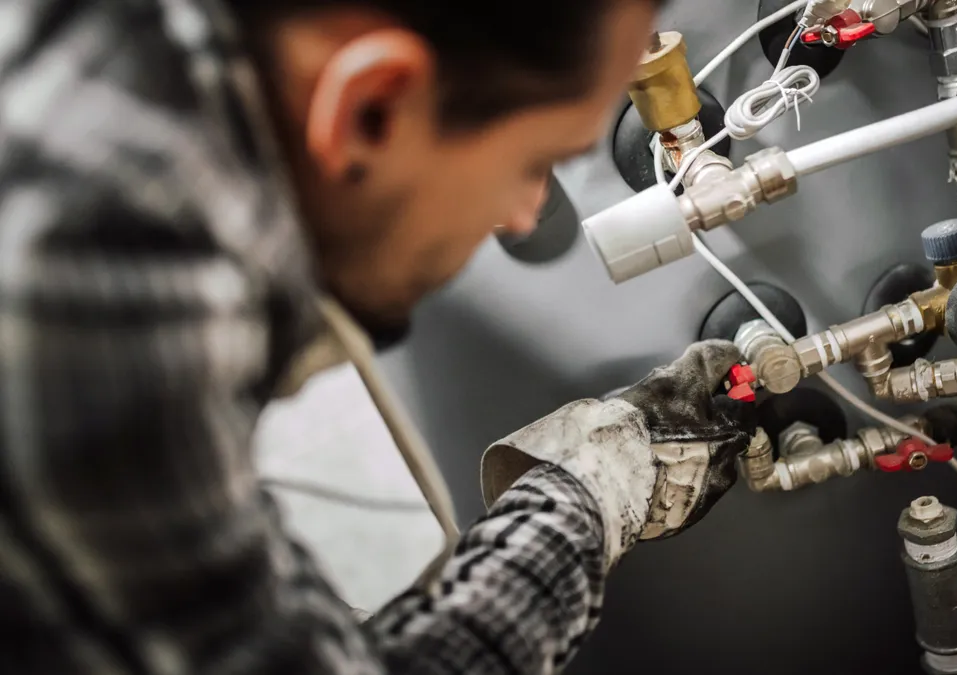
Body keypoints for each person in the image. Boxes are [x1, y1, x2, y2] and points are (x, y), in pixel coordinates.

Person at [0, 1, 756, 673]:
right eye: (538, 162)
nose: (525, 216)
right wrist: (588, 491)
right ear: (371, 109)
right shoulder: (93, 306)